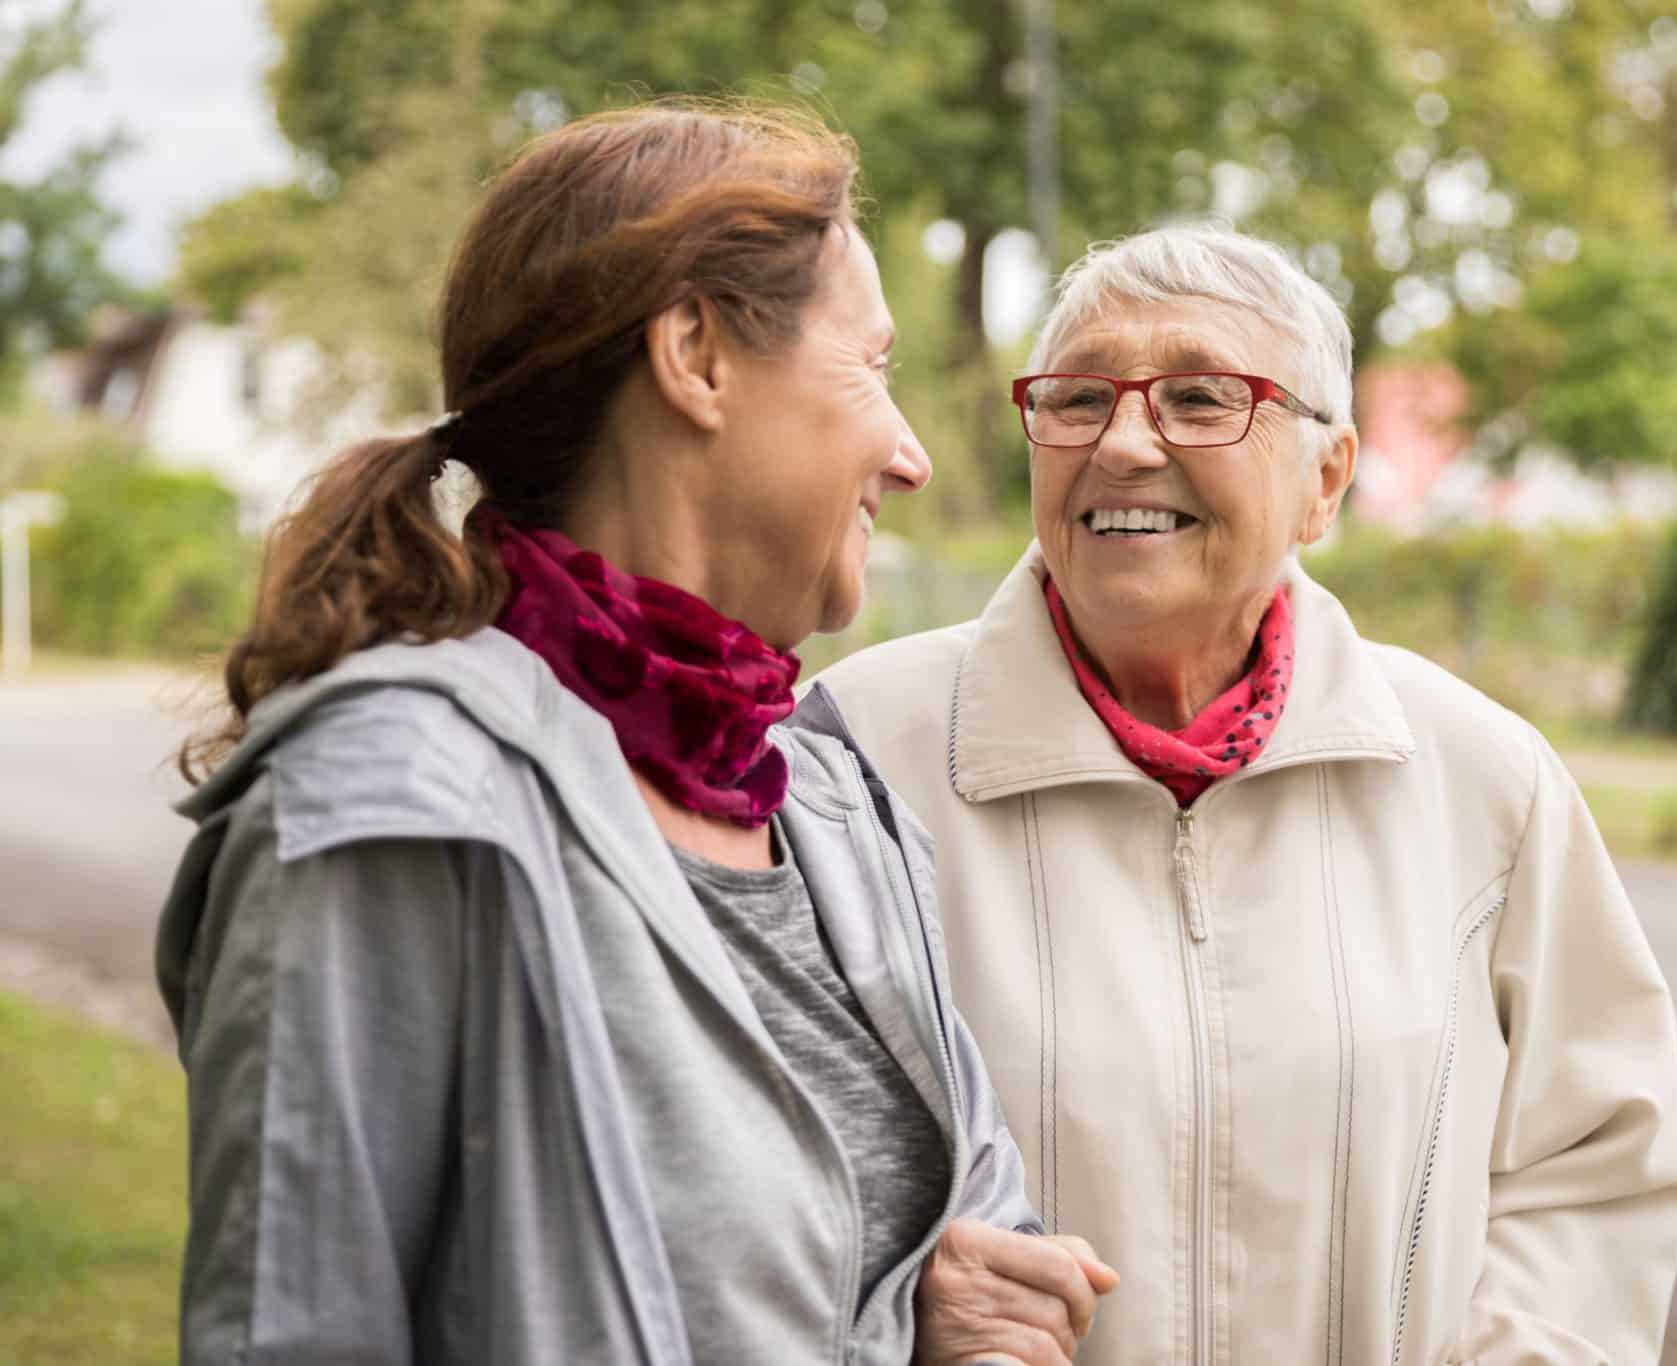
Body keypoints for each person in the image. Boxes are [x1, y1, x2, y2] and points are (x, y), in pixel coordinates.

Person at [158, 103, 1113, 1366]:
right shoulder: (390, 799)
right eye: (871, 366)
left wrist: (939, 1322)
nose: (911, 456)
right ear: (696, 355)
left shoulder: (827, 802)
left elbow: (964, 1225)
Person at [816, 224, 1677, 1365]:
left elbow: (1593, 1160)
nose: (1123, 443)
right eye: (1078, 399)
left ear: (1325, 481)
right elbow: (738, 1174)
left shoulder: (1480, 777)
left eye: (1199, 399)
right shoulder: (849, 761)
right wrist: (888, 1311)